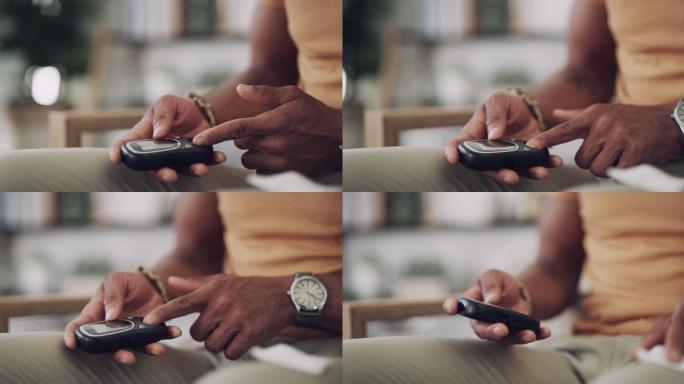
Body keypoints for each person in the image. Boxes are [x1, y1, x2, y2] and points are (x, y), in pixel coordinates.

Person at [0, 192, 342, 383]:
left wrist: (291, 296)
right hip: (221, 350)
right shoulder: (244, 134)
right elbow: (193, 254)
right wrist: (153, 286)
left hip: (330, 349)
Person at [0, 0, 342, 192]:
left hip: (342, 166)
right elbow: (270, 70)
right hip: (276, 185)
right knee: (12, 170)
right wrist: (202, 110)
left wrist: (335, 134)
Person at [344, 0, 684, 191]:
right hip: (619, 170)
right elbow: (585, 72)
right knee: (366, 170)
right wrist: (529, 106)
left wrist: (675, 124)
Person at [344, 192, 684, 383]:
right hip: (582, 354)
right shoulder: (605, 144)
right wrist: (520, 296)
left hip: (671, 357)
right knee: (357, 365)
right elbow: (555, 267)